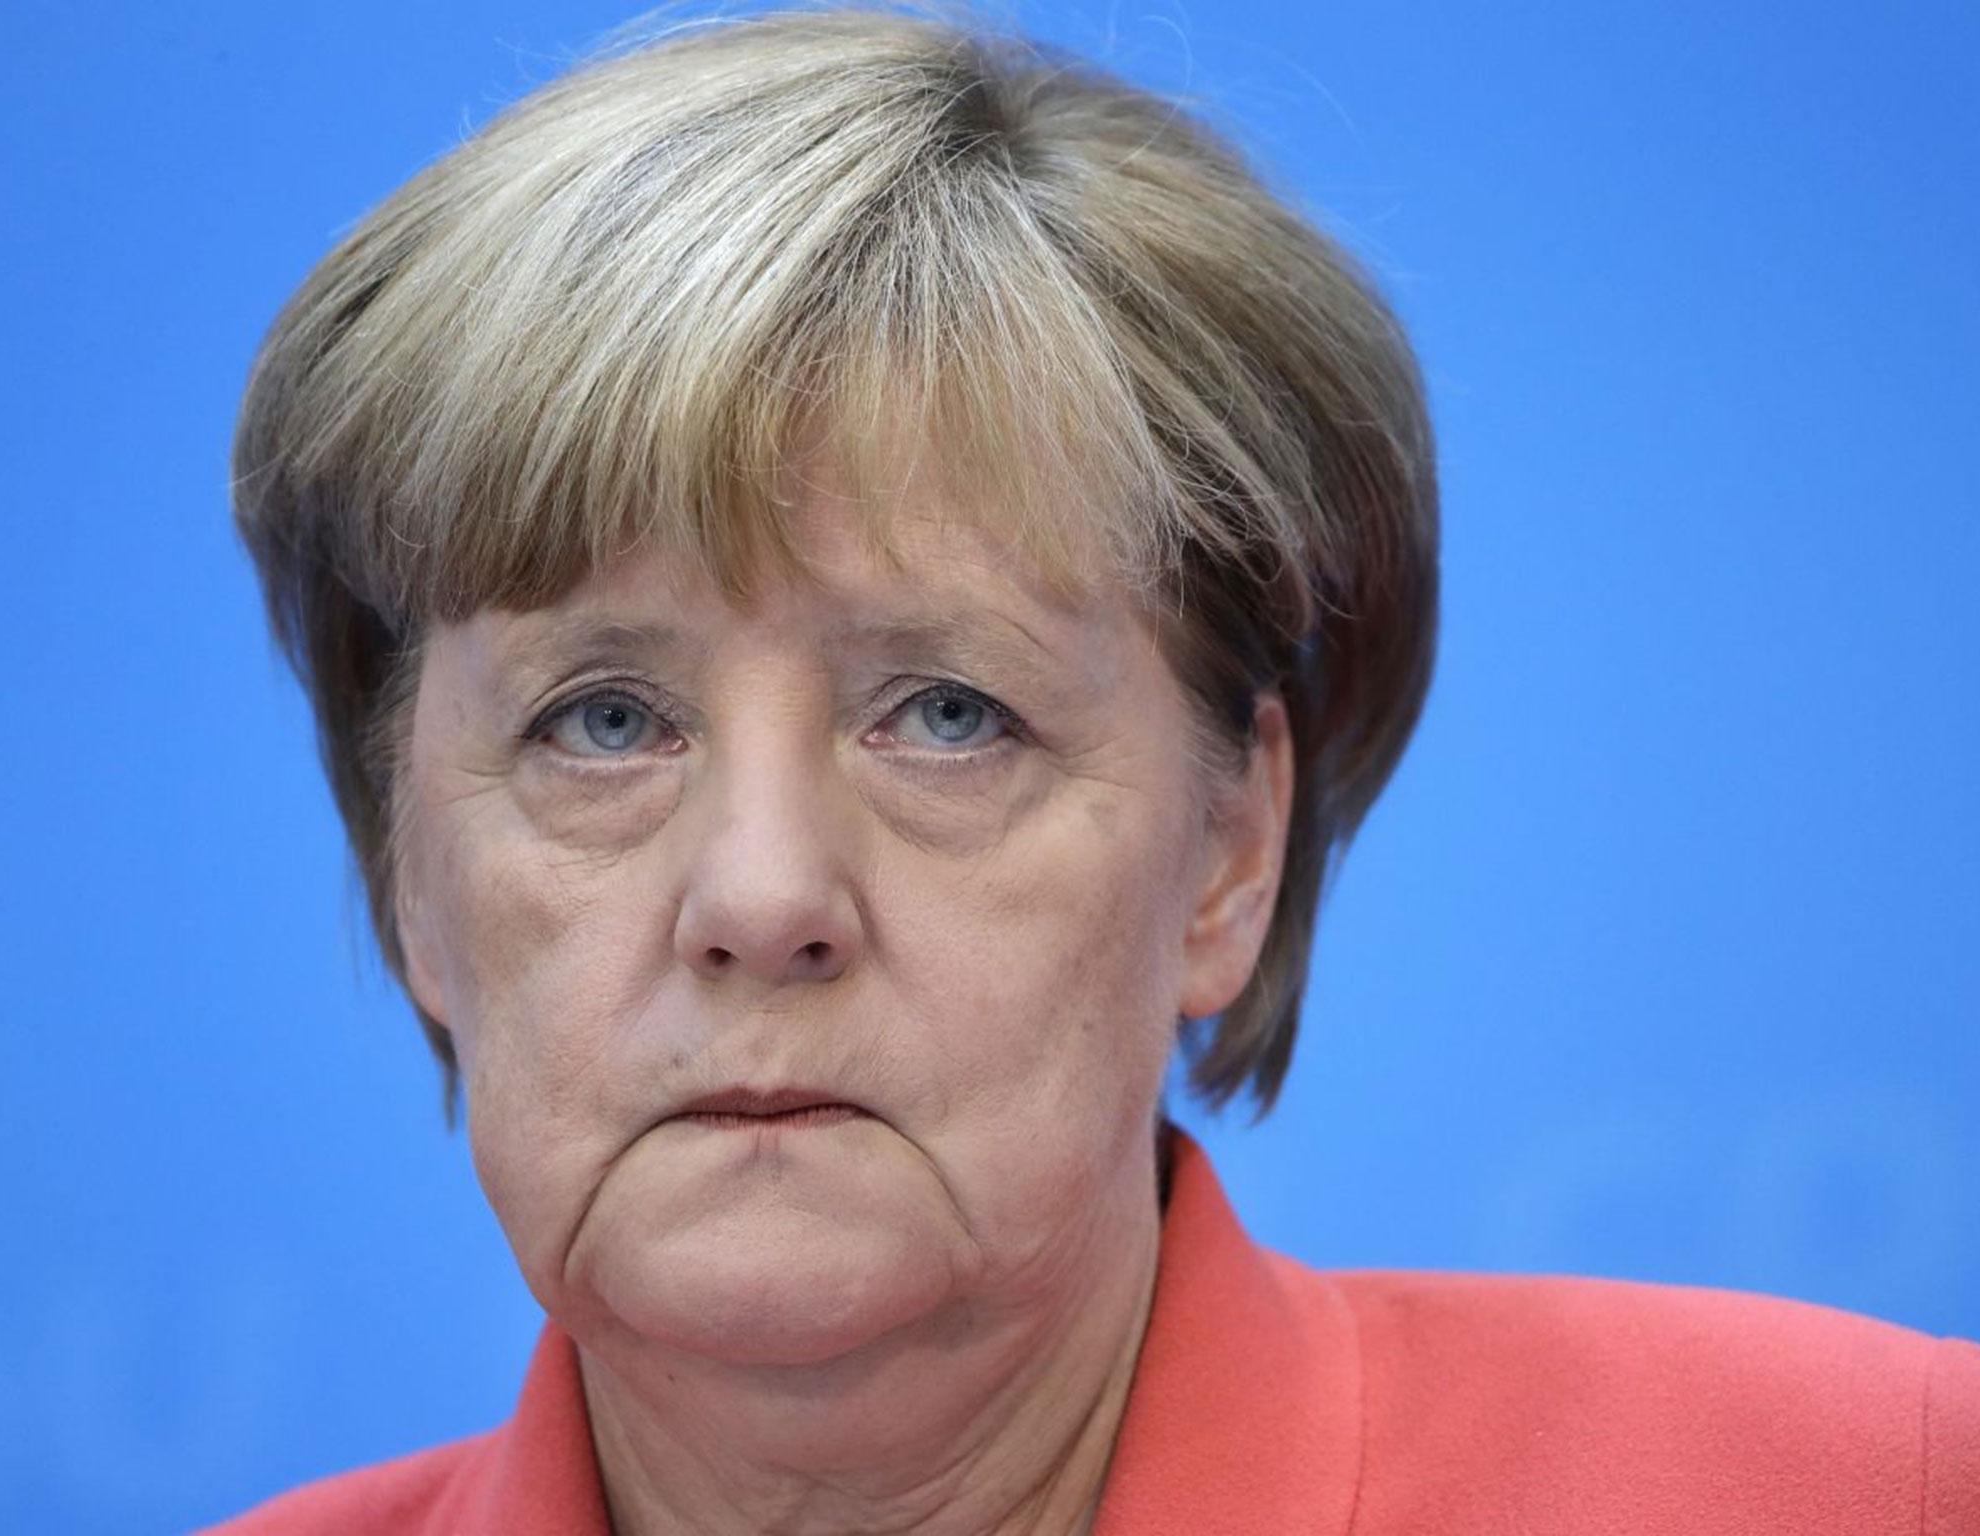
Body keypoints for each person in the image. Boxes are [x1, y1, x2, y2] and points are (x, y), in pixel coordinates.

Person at [206, 7, 1979, 1532]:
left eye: (950, 714)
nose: (758, 898)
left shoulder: (1878, 1489)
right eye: (601, 721)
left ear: (1231, 853)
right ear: (404, 874)